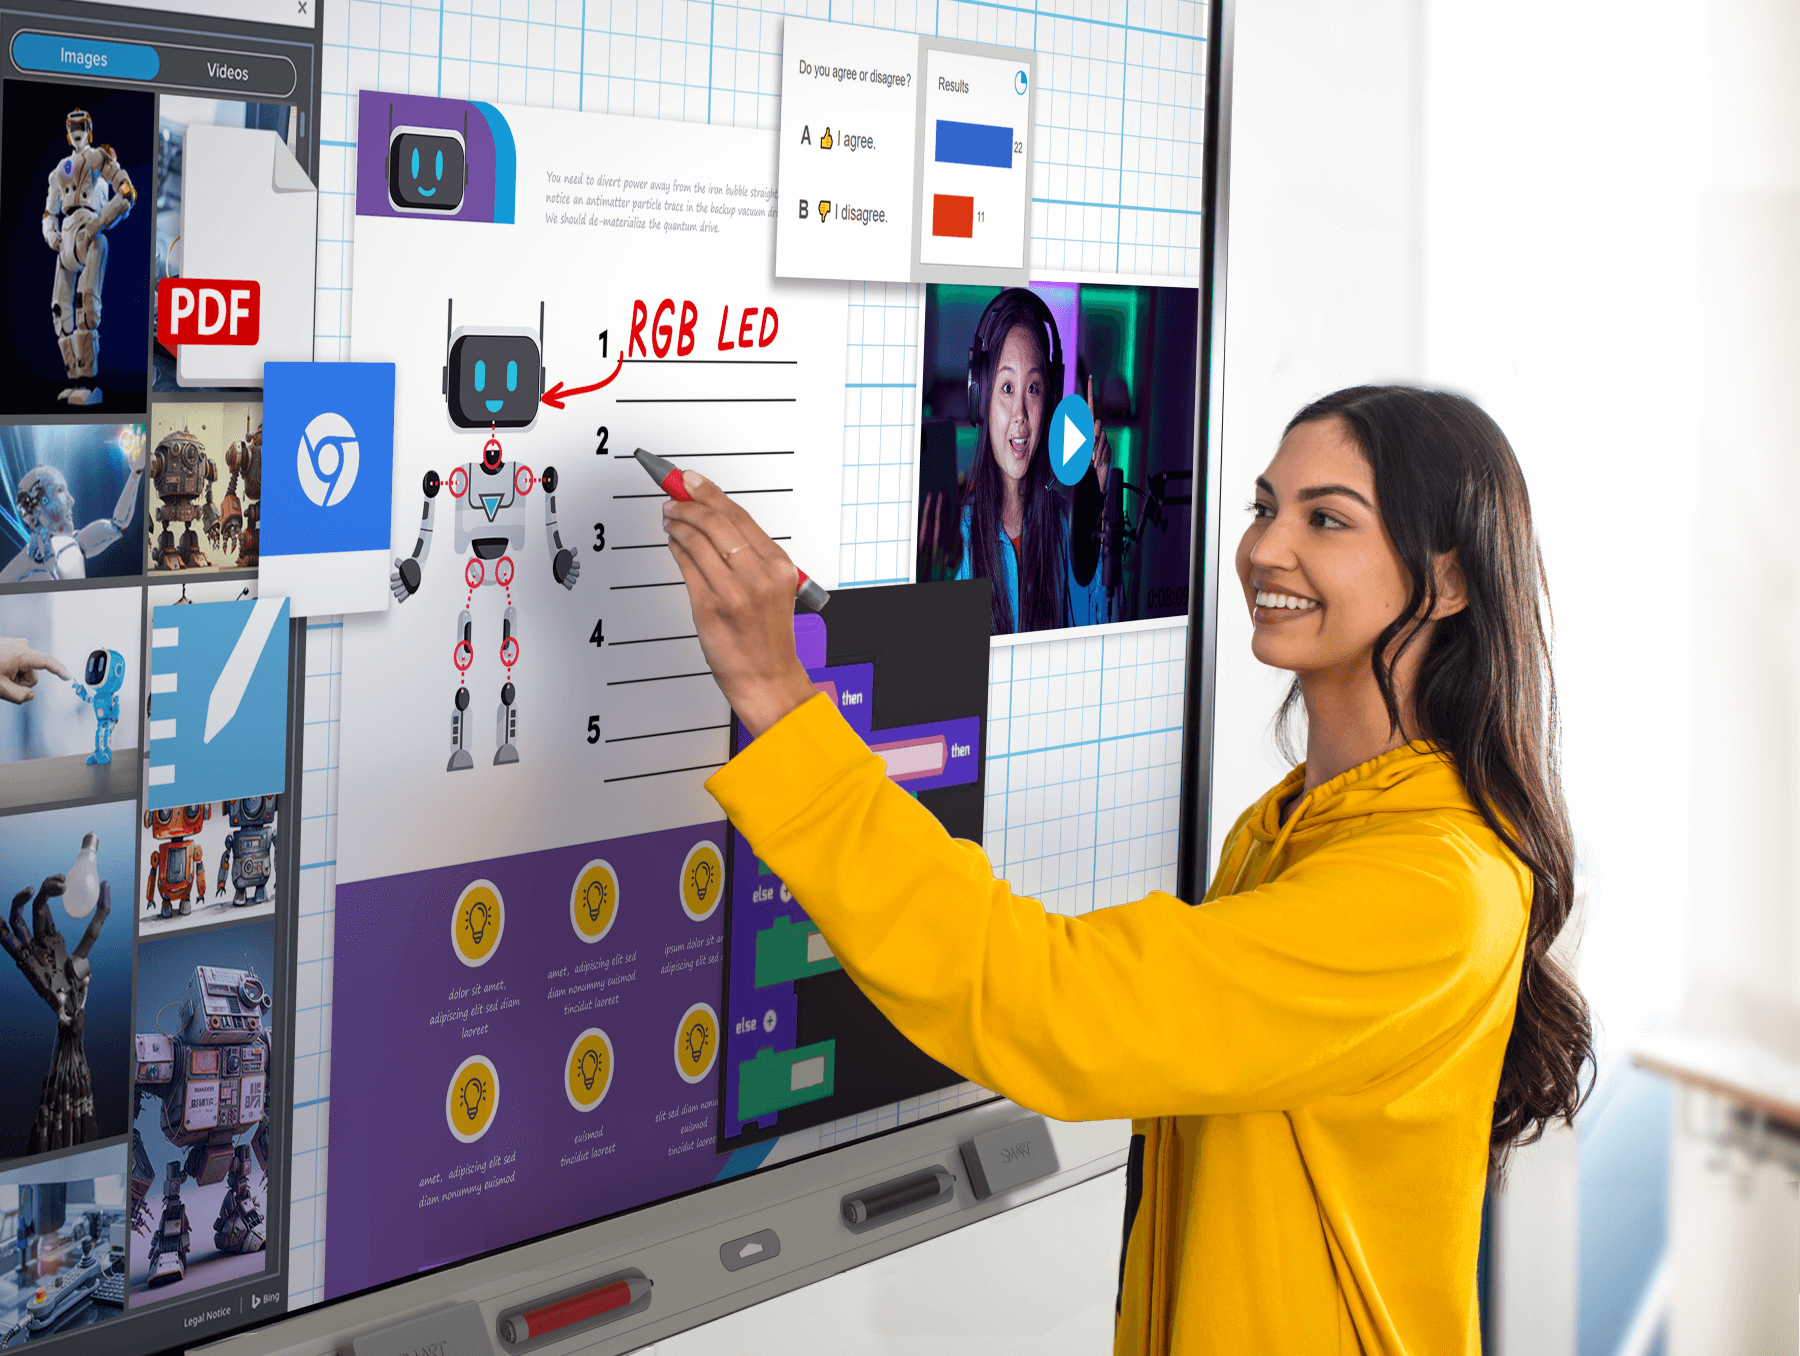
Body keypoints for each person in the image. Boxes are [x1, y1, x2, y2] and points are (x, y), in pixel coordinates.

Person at [661, 384, 1592, 1354]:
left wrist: (779, 698)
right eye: (1266, 508)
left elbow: (1054, 1004)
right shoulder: (1288, 829)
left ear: (1446, 583)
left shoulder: (1430, 889)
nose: (1267, 550)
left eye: (1327, 519)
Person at [922, 288, 1111, 634]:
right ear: (982, 399)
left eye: (1034, 389)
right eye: (1007, 388)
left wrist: (1094, 513)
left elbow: (1099, 642)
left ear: (1050, 404)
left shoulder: (1065, 532)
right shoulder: (954, 544)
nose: (1021, 414)